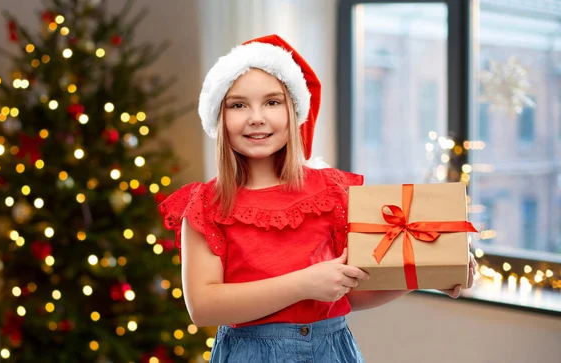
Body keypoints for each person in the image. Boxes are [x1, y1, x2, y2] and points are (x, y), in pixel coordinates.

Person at [158, 34, 477, 363]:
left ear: (295, 112)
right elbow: (204, 306)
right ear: (220, 118)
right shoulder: (206, 204)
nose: (256, 117)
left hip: (332, 351)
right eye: (238, 105)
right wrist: (304, 284)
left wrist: (429, 276)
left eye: (272, 102)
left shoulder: (332, 191)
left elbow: (351, 293)